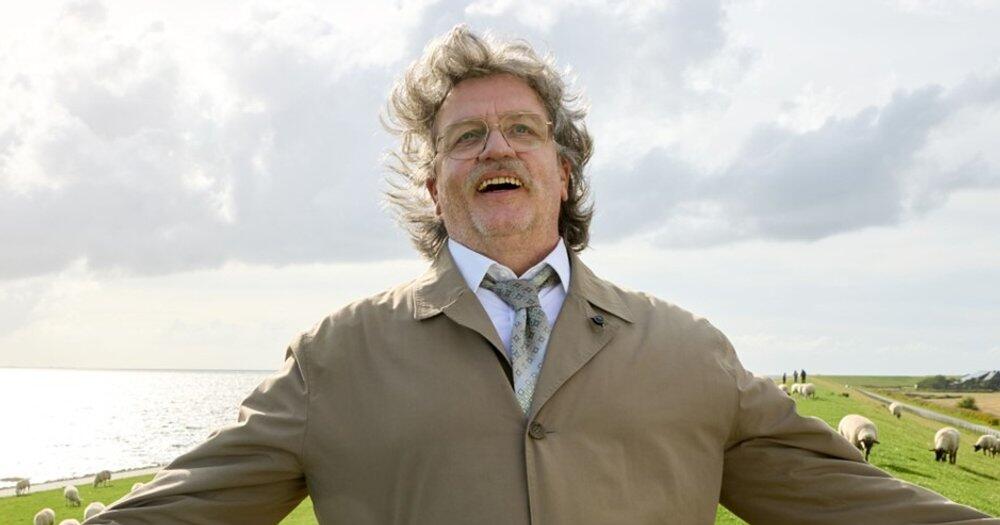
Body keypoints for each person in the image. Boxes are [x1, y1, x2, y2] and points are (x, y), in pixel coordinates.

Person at [89, 25, 997, 524]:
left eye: (522, 130)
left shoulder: (689, 351)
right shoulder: (337, 356)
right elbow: (178, 509)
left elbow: (864, 506)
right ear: (434, 186)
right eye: (465, 137)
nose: (496, 147)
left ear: (564, 172)